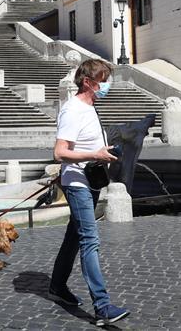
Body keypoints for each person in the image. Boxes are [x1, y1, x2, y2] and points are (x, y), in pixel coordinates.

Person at [49, 59, 130, 326]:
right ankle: (102, 306)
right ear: (87, 82)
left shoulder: (90, 107)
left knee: (74, 236)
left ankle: (57, 286)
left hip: (90, 180)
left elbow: (85, 145)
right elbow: (60, 152)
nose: (107, 86)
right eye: (103, 81)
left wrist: (104, 152)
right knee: (89, 240)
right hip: (78, 183)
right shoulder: (73, 110)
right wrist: (95, 155)